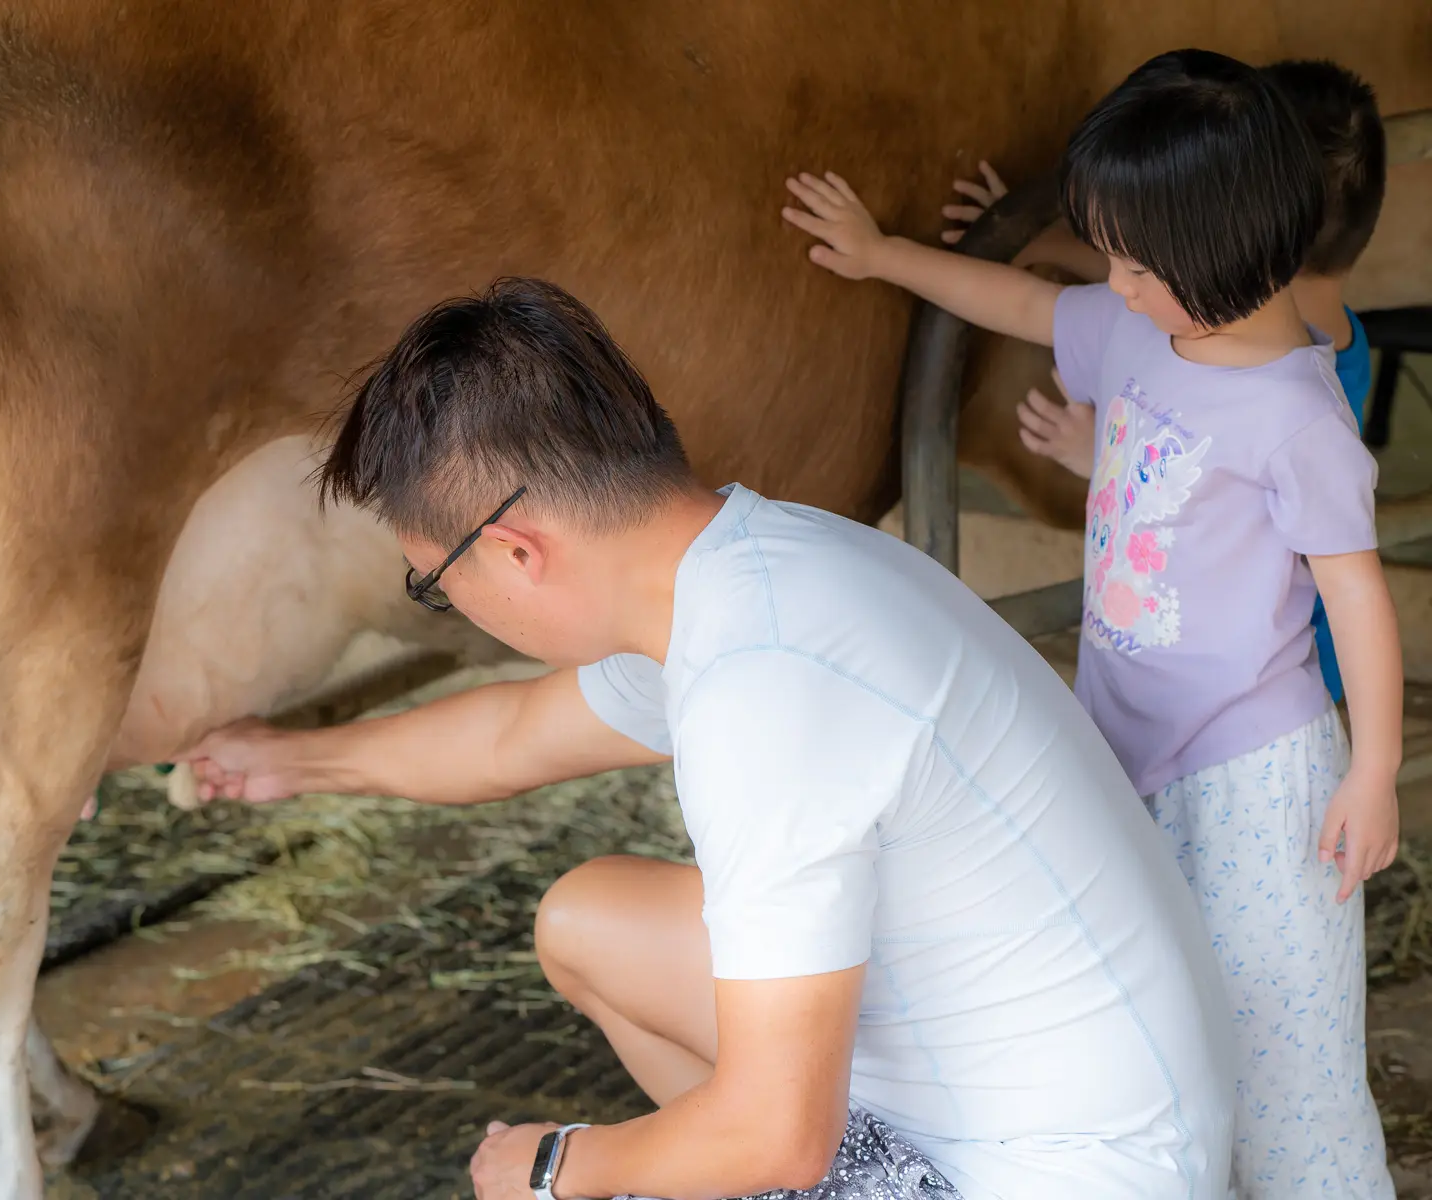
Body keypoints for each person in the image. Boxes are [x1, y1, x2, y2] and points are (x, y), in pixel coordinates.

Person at [179, 276, 1236, 1199]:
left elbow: (780, 1134)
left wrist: (553, 1166)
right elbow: (512, 736)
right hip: (1063, 1082)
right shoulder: (752, 568)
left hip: (1064, 1169)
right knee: (587, 919)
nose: (450, 602)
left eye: (437, 584)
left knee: (689, 1151)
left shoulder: (760, 693)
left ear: (512, 551)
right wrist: (292, 761)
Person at [782, 47, 1402, 1199]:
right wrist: (883, 257)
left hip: (1252, 767)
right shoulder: (1142, 335)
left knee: (1284, 1036)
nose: (1106, 280)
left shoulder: (1297, 413)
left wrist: (1371, 773)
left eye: (1128, 259)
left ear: (1216, 250)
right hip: (1117, 734)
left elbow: (1355, 593)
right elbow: (1014, 298)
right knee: (1146, 996)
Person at [941, 59, 1388, 709]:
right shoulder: (1329, 340)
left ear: (1242, 230)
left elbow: (1216, 515)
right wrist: (1032, 240)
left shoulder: (1286, 393)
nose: (1130, 283)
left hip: (1275, 678)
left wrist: (1098, 454)